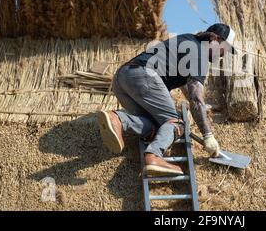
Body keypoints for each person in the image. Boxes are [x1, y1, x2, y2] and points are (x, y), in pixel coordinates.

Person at [97, 23, 237, 176]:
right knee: (176, 124)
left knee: (156, 128)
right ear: (214, 38)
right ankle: (154, 156)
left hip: (122, 78)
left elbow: (188, 89)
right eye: (225, 48)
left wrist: (201, 106)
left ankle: (118, 119)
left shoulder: (187, 41)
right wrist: (208, 135)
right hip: (144, 77)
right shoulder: (200, 55)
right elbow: (196, 99)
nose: (224, 54)